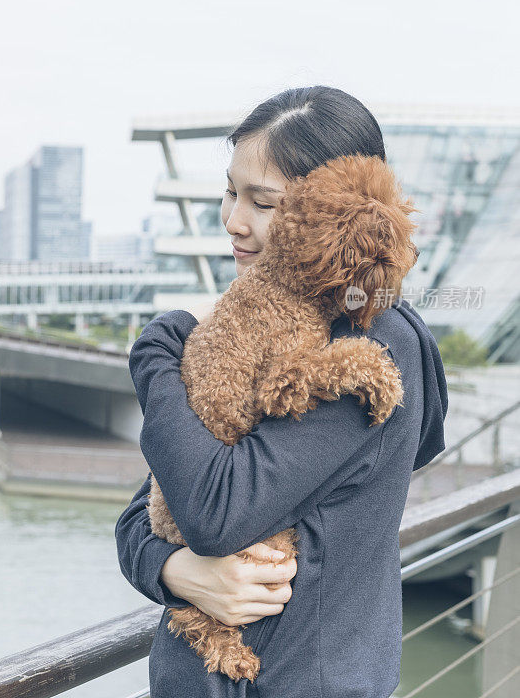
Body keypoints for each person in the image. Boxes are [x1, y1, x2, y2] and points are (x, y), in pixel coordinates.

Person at [116, 85, 448, 698]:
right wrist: (175, 570)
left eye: (262, 202)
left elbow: (214, 512)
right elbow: (145, 509)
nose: (234, 221)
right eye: (231, 191)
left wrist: (158, 354)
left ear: (331, 209)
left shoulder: (372, 342)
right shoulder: (250, 323)